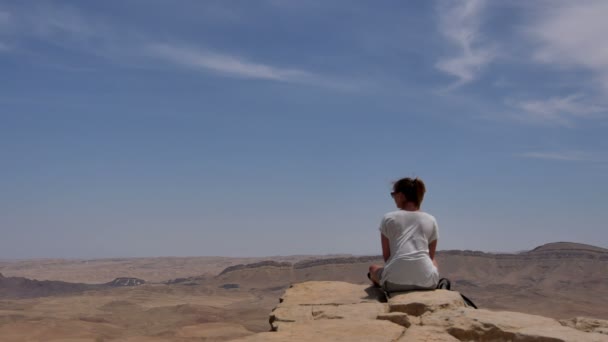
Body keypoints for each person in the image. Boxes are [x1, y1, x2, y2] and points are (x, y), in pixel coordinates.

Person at [368, 177, 439, 292]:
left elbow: (388, 257)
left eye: (393, 194)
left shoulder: (388, 218)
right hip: (428, 283)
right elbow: (430, 257)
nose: (393, 198)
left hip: (394, 283)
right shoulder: (431, 219)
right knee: (433, 261)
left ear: (401, 195)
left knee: (373, 268)